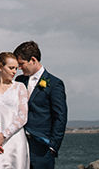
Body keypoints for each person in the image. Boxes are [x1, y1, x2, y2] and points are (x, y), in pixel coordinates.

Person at [12, 41, 68, 169]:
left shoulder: (54, 84)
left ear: (33, 60)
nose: (19, 68)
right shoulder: (19, 81)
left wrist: (53, 146)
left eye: (21, 64)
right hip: (18, 145)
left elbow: (60, 116)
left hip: (42, 149)